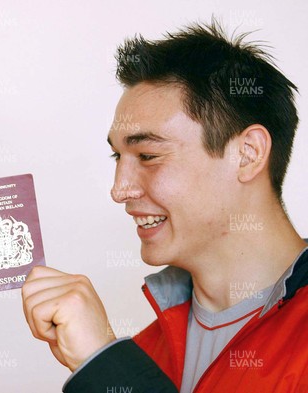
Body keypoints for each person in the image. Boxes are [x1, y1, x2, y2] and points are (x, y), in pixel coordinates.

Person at [22, 22, 308, 392]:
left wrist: (106, 366)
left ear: (247, 154)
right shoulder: (142, 352)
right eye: (117, 156)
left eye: (148, 155)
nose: (119, 189)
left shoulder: (116, 363)